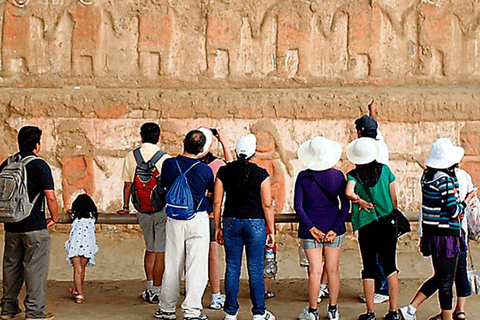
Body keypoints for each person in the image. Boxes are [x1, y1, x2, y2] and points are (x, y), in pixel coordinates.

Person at [399, 138, 476, 320]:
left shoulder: (426, 177)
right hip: (448, 236)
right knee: (446, 282)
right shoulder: (446, 181)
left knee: (442, 278)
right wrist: (467, 199)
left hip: (433, 235)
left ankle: (416, 310)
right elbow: (454, 211)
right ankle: (448, 317)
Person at [214, 134, 276, 320]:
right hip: (255, 222)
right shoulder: (261, 174)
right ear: (253, 153)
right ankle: (259, 312)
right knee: (255, 268)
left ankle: (231, 312)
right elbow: (267, 205)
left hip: (231, 221)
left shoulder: (224, 172)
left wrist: (218, 227)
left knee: (232, 267)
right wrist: (271, 230)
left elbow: (217, 202)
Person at [0, 126, 59, 320]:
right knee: (35, 270)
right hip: (34, 227)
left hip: (11, 226)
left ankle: (8, 309)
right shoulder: (39, 165)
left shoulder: (7, 164)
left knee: (10, 268)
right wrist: (54, 217)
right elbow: (50, 197)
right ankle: (34, 312)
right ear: (37, 145)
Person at [155, 129, 214, 320]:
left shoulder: (169, 164)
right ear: (203, 149)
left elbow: (165, 185)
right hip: (197, 218)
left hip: (174, 218)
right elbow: (210, 193)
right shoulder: (205, 170)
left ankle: (167, 308)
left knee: (172, 264)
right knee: (196, 266)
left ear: (183, 141)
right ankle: (192, 311)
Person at [295, 137, 350, 320]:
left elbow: (298, 206)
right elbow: (345, 206)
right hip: (333, 226)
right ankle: (333, 309)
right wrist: (335, 228)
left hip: (311, 227)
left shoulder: (303, 177)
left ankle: (312, 311)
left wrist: (311, 228)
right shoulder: (337, 176)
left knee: (315, 271)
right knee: (332, 270)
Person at [345, 137, 400, 320]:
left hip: (367, 225)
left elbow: (348, 192)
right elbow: (394, 199)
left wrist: (359, 201)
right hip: (387, 223)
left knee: (369, 268)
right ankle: (393, 311)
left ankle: (370, 313)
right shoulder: (385, 170)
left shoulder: (354, 175)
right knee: (390, 267)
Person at [117, 122, 171, 303]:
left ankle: (149, 288)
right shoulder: (165, 158)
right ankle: (157, 290)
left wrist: (126, 206)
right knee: (160, 250)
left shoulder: (131, 157)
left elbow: (127, 185)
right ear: (159, 137)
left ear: (141, 136)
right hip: (162, 210)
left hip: (142, 210)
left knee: (149, 248)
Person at [355, 100, 390, 305]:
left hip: (371, 204)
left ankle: (382, 289)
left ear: (360, 133)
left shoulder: (365, 150)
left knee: (374, 251)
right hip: (384, 202)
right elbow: (375, 128)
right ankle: (381, 287)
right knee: (382, 248)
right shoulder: (380, 142)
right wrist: (372, 113)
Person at [197, 127, 233, 310]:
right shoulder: (217, 165)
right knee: (213, 256)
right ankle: (216, 295)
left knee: (193, 257)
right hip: (211, 215)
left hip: (192, 215)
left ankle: (194, 295)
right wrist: (223, 141)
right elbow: (231, 165)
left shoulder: (186, 161)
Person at [65, 194, 99, 304]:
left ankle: (79, 294)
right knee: (82, 269)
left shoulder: (75, 215)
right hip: (87, 246)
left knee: (77, 270)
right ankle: (77, 289)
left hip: (75, 245)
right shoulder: (92, 216)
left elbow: (69, 211)